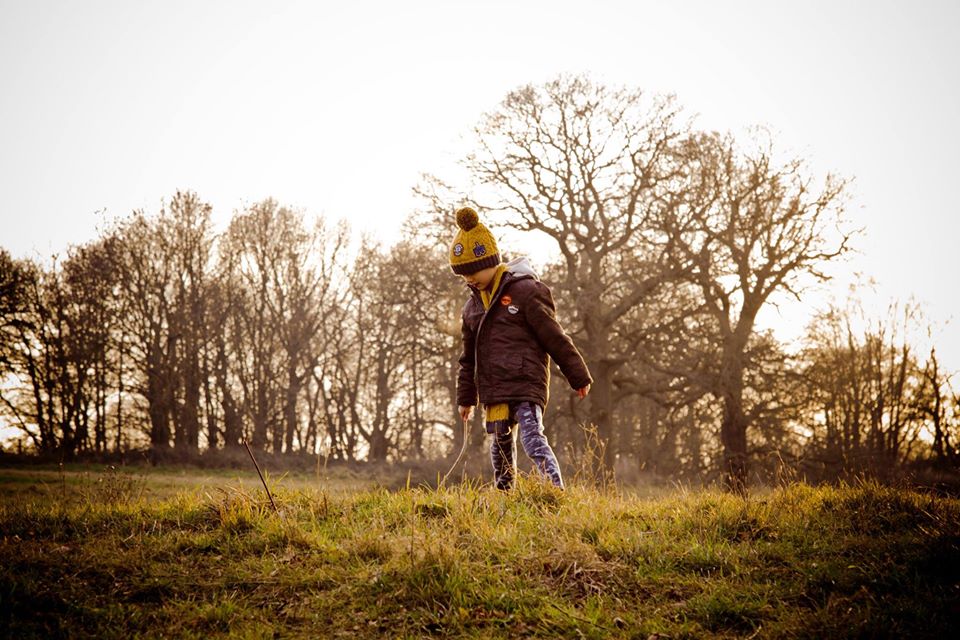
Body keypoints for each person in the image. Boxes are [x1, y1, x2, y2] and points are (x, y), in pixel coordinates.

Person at [450, 206, 592, 490]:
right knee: (499, 447)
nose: (469, 279)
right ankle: (505, 494)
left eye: (473, 271)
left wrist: (577, 374)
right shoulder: (471, 308)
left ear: (491, 261)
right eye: (464, 275)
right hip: (495, 390)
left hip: (526, 382)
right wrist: (466, 398)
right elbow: (468, 358)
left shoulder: (526, 292)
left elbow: (554, 335)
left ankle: (554, 489)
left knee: (532, 438)